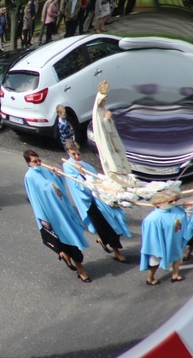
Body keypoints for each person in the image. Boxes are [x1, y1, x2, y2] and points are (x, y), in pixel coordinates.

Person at [23, 150, 91, 282]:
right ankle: (80, 269)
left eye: (39, 160)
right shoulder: (29, 177)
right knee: (68, 239)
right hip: (52, 213)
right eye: (34, 161)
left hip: (63, 210)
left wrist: (57, 175)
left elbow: (58, 185)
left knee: (69, 236)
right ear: (28, 163)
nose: (38, 163)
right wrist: (42, 218)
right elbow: (35, 199)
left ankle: (64, 254)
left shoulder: (44, 170)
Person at [62, 140, 130, 262]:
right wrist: (81, 174)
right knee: (105, 226)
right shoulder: (67, 166)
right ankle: (116, 251)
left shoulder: (87, 166)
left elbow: (97, 179)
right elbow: (78, 184)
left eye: (78, 154)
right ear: (68, 153)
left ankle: (103, 240)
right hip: (88, 202)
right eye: (74, 154)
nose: (77, 157)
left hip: (100, 198)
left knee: (116, 218)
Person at [140, 191, 186, 285]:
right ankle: (150, 278)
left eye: (175, 200)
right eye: (170, 201)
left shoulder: (175, 210)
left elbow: (183, 218)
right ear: (159, 204)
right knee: (154, 263)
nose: (174, 203)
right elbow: (151, 236)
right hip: (160, 245)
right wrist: (157, 249)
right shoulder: (152, 219)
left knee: (178, 257)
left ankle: (175, 275)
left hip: (174, 240)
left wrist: (187, 208)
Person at [91, 80, 131, 179]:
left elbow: (110, 127)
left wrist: (108, 120)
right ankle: (114, 173)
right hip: (105, 138)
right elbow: (103, 127)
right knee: (109, 155)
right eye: (103, 101)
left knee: (117, 152)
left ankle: (122, 171)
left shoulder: (103, 110)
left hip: (111, 137)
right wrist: (106, 119)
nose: (105, 103)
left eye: (105, 100)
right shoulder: (97, 113)